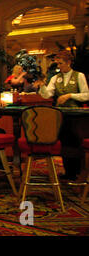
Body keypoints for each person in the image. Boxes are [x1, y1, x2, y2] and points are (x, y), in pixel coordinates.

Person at [34, 50, 89, 180]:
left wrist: (70, 95)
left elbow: (86, 95)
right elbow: (47, 94)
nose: (59, 66)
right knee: (64, 142)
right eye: (57, 63)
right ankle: (68, 172)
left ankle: (77, 172)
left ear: (69, 63)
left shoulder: (79, 76)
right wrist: (42, 86)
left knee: (76, 142)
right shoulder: (55, 78)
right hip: (60, 115)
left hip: (76, 116)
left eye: (61, 63)